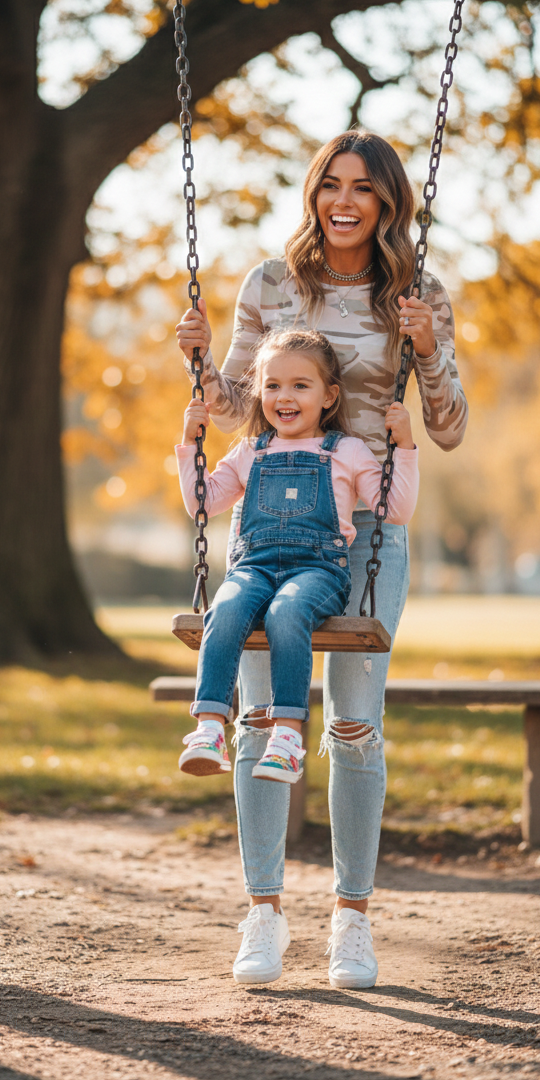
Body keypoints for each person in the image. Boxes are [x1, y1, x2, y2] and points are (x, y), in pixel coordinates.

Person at [175, 129, 468, 989]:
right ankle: (262, 910)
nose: (344, 201)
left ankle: (352, 918)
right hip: (269, 522)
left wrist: (428, 349)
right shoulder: (271, 283)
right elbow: (235, 409)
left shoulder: (417, 293)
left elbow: (447, 428)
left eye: (363, 189)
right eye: (330, 185)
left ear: (387, 203)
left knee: (353, 724)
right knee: (262, 717)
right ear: (315, 192)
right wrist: (195, 360)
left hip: (366, 527)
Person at [175, 328, 417, 793]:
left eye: (299, 386)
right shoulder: (251, 450)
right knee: (224, 608)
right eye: (272, 385)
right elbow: (203, 504)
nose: (284, 397)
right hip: (255, 568)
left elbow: (395, 510)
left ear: (329, 396)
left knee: (288, 612)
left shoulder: (345, 450)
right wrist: (189, 443)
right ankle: (208, 729)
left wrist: (404, 447)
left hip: (318, 572)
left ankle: (286, 737)